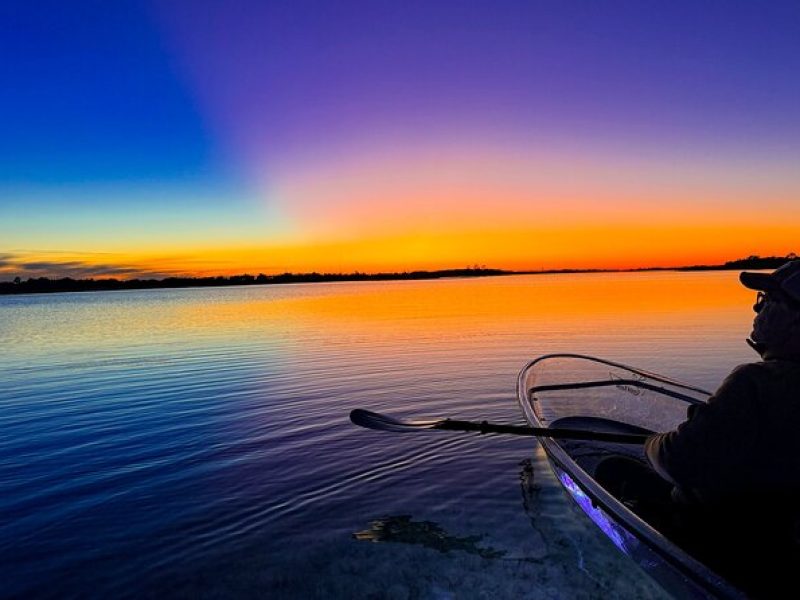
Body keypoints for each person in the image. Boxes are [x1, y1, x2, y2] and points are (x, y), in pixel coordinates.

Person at [597, 260, 800, 596]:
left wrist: (653, 443)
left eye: (768, 300)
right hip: (782, 538)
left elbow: (678, 461)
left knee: (612, 469)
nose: (756, 307)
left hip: (730, 541)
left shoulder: (753, 383)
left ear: (796, 318)